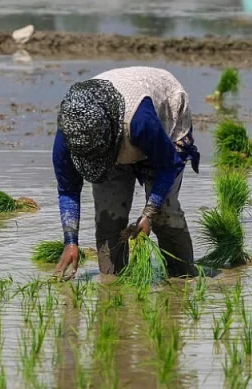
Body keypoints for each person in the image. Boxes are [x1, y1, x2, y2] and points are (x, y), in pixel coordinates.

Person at [52, 66, 200, 281]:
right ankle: (112, 286)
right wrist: (70, 242)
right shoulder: (71, 134)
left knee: (165, 214)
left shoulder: (140, 122)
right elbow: (68, 190)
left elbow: (169, 165)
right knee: (108, 220)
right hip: (108, 132)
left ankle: (182, 279)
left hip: (158, 113)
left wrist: (149, 213)